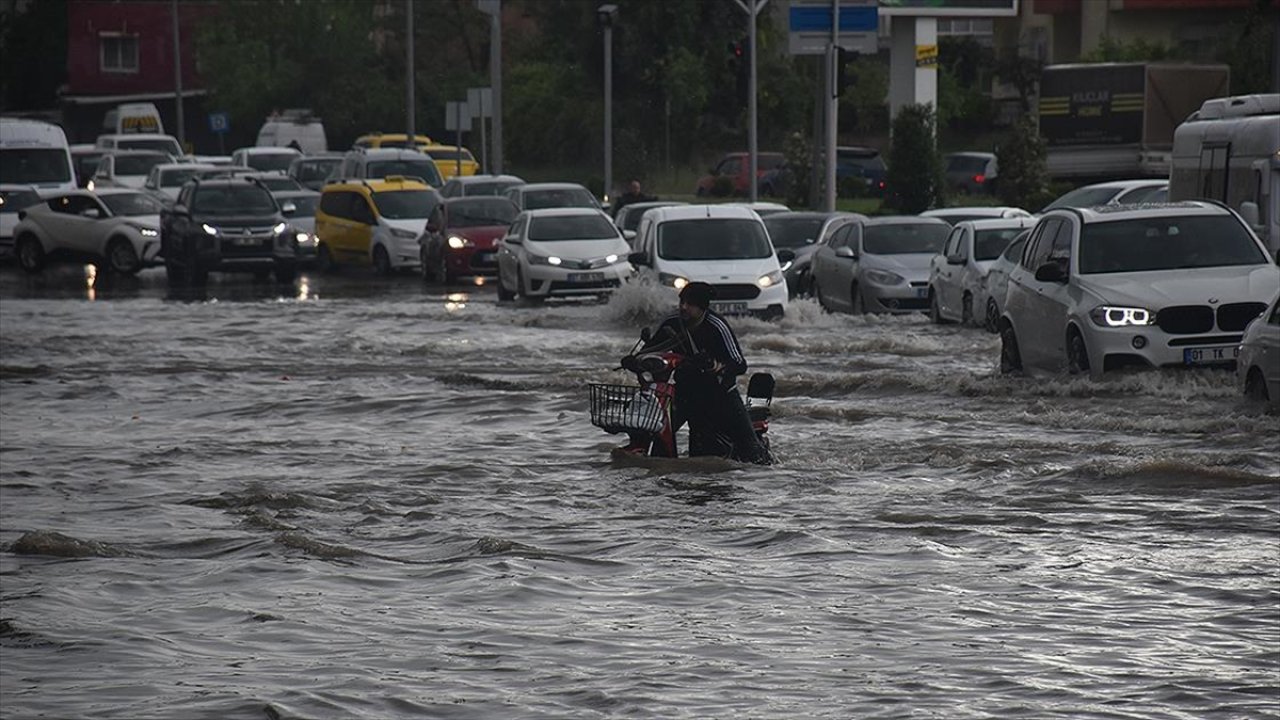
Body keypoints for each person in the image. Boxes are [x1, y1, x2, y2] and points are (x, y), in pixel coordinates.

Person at [627, 282, 772, 465]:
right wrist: (635, 361)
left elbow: (739, 364)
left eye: (690, 303)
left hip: (720, 395)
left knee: (753, 454)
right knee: (664, 434)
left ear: (702, 307)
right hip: (684, 393)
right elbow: (651, 351)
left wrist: (715, 365)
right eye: (681, 302)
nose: (683, 307)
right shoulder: (671, 323)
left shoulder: (716, 326)